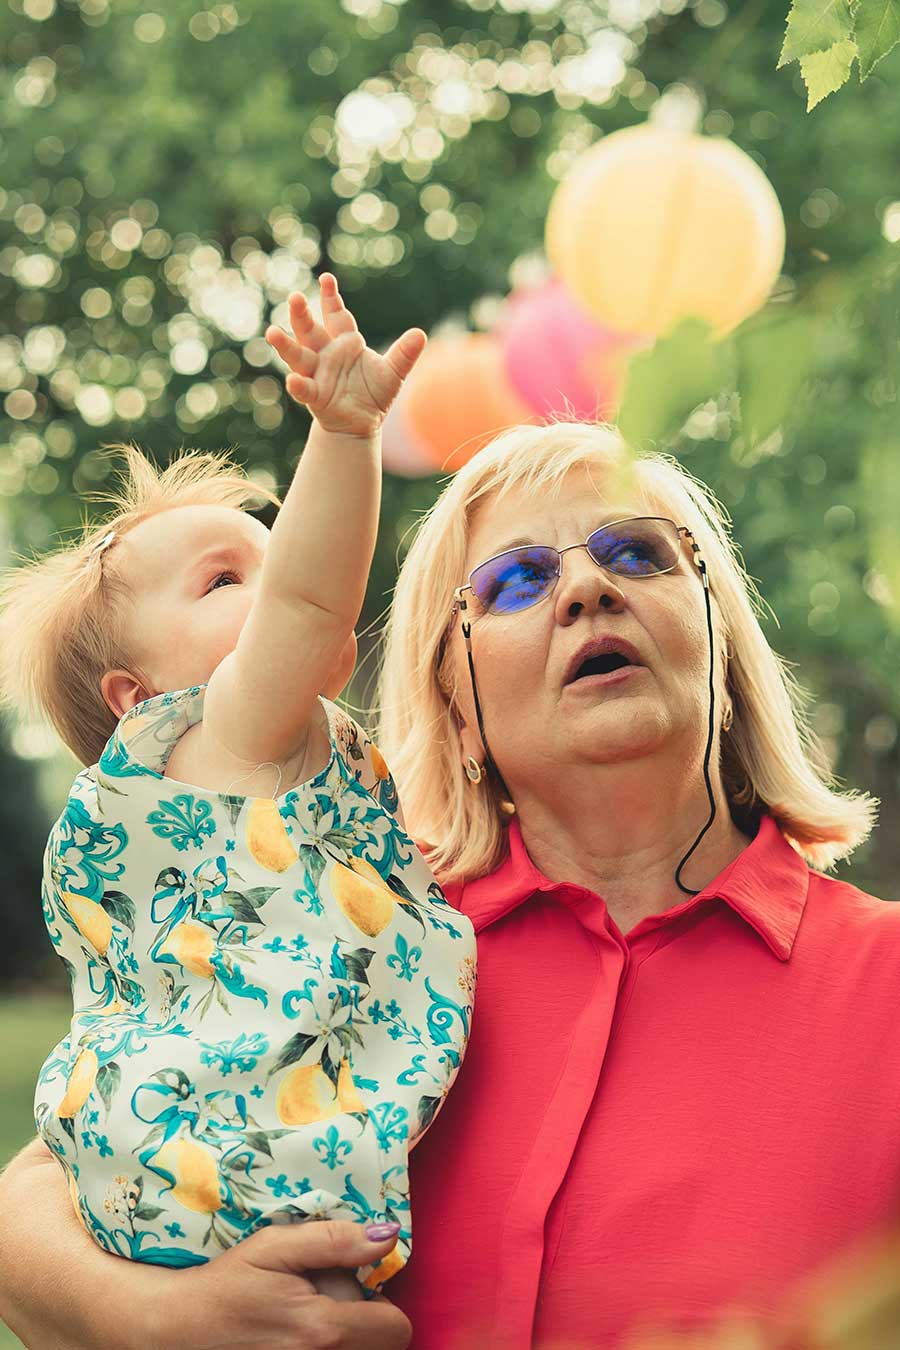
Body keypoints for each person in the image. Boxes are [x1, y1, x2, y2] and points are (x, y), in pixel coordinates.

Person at [1, 418, 897, 1350]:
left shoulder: (885, 982)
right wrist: (155, 1317)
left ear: (719, 634)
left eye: (635, 553)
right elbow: (38, 1193)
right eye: (518, 579)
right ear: (456, 701)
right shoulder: (357, 931)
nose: (590, 588)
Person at [0, 275, 476, 1326]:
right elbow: (311, 604)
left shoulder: (261, 784)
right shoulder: (215, 732)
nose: (273, 586)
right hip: (244, 1168)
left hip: (172, 1157)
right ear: (142, 698)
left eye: (272, 555)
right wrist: (344, 434)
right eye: (226, 582)